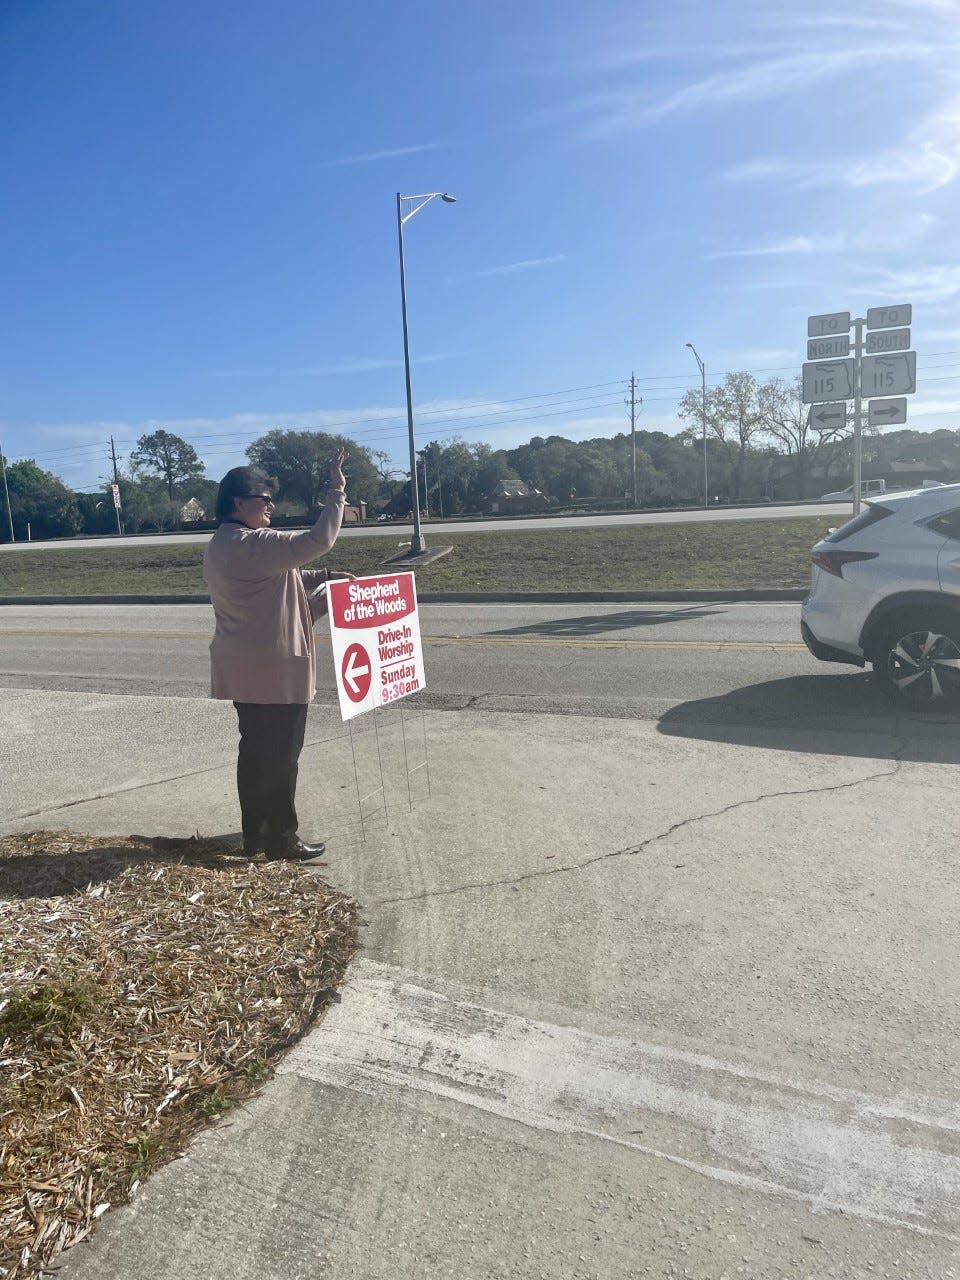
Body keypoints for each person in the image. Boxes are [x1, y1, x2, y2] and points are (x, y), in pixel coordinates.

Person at [203, 451, 351, 860]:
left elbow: (280, 575)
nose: (270, 505)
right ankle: (282, 839)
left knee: (255, 754)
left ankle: (257, 836)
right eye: (262, 498)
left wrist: (323, 577)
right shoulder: (253, 543)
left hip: (247, 670)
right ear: (237, 503)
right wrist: (336, 490)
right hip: (274, 670)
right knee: (281, 758)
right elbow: (320, 540)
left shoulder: (223, 544)